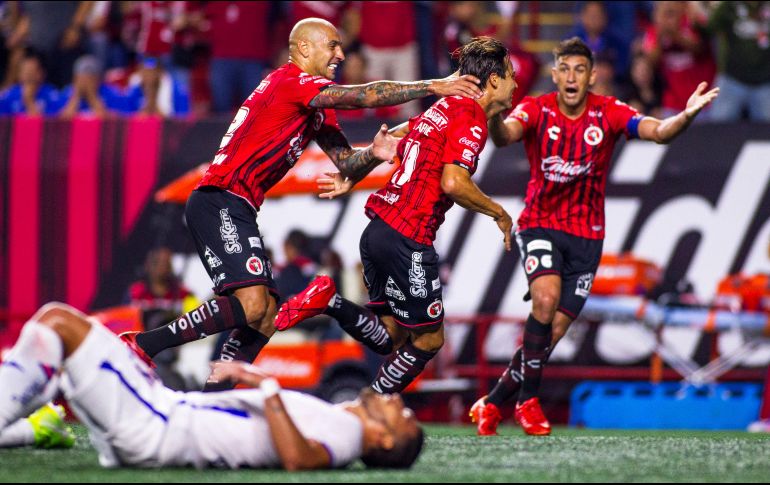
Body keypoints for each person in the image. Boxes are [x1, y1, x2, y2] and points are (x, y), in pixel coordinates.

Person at [119, 17, 482, 392]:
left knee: (264, 317)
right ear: (304, 48)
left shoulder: (314, 106)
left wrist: (373, 153)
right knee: (254, 305)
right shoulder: (291, 81)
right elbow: (365, 96)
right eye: (333, 46)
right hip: (219, 199)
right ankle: (142, 345)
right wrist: (433, 85)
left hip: (238, 206)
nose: (341, 54)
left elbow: (345, 163)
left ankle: (214, 398)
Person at [468, 37, 719, 436]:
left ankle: (492, 402)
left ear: (592, 77)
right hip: (539, 224)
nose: (571, 76)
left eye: (579, 70)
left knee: (550, 334)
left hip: (586, 237)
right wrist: (496, 114)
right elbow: (503, 136)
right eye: (564, 69)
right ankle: (527, 403)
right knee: (545, 301)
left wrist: (684, 116)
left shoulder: (609, 113)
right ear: (554, 75)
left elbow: (658, 132)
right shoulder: (537, 107)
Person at [274, 37, 517, 396]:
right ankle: (373, 401)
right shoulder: (469, 115)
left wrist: (352, 172)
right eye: (510, 76)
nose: (515, 84)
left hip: (377, 231)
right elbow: (453, 182)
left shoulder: (444, 108)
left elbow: (396, 136)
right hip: (408, 236)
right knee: (430, 339)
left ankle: (330, 301)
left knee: (391, 336)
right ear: (493, 81)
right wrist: (499, 213)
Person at [0, 303, 423, 469]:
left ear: (384, 440)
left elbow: (301, 459)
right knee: (67, 337)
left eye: (402, 417)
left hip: (162, 426)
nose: (397, 403)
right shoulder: (340, 421)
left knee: (58, 324)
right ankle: (30, 428)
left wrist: (265, 386)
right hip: (165, 413)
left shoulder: (347, 435)